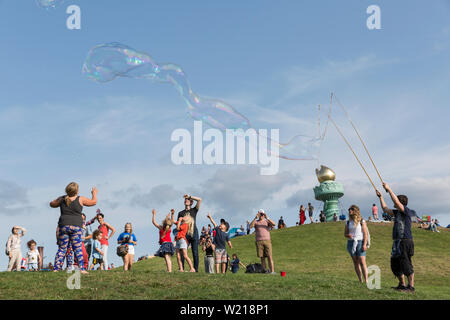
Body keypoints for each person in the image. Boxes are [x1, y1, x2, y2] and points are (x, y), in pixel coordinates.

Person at [376, 182, 416, 292]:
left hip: (405, 241)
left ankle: (411, 287)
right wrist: (381, 197)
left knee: (406, 263)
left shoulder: (407, 211)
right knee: (395, 263)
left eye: (396, 201)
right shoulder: (397, 212)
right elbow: (385, 209)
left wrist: (389, 189)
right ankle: (402, 285)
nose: (394, 203)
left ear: (401, 202)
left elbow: (396, 202)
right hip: (397, 242)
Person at [50, 182, 97, 274]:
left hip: (64, 226)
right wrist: (94, 193)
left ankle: (56, 268)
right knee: (77, 248)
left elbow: (51, 204)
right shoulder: (80, 199)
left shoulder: (62, 198)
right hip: (76, 226)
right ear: (77, 191)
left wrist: (57, 200)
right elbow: (93, 202)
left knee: (62, 248)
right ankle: (82, 269)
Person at [177, 194, 202, 272]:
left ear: (191, 202)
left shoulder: (194, 210)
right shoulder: (181, 213)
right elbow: (178, 224)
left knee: (195, 252)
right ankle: (182, 269)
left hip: (194, 233)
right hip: (185, 235)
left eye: (188, 200)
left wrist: (190, 196)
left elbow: (199, 200)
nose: (186, 200)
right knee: (182, 252)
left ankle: (195, 270)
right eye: (185, 199)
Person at [344, 205, 369, 284]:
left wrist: (365, 244)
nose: (349, 210)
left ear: (355, 211)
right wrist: (348, 235)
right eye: (349, 209)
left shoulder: (362, 221)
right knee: (355, 262)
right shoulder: (348, 222)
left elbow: (365, 234)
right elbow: (345, 233)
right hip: (351, 242)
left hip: (360, 242)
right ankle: (360, 280)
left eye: (351, 209)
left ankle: (367, 281)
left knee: (362, 261)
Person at [249, 209, 276, 274]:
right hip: (259, 241)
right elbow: (250, 226)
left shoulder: (267, 221)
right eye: (260, 214)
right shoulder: (256, 221)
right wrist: (255, 218)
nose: (261, 215)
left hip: (267, 241)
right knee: (262, 257)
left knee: (270, 256)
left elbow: (274, 224)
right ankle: (264, 271)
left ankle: (272, 271)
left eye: (262, 214)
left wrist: (267, 217)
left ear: (264, 214)